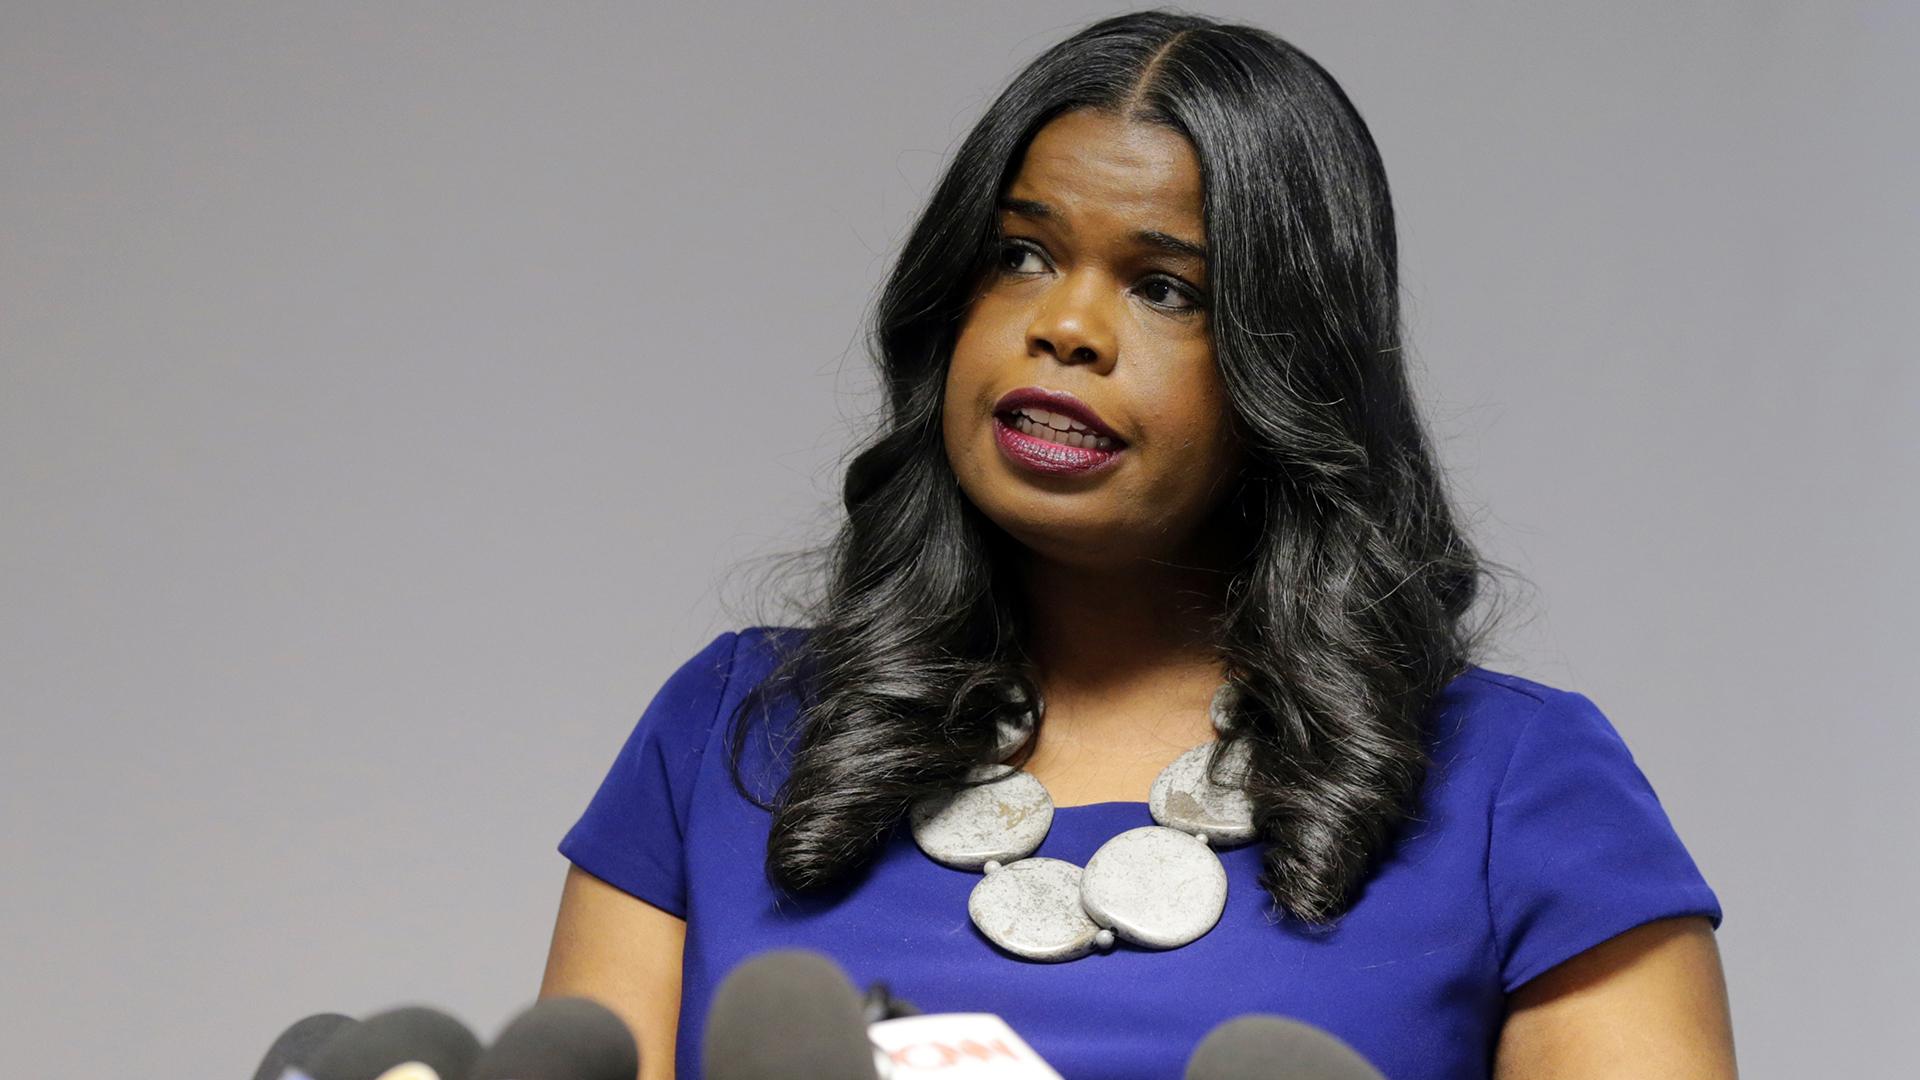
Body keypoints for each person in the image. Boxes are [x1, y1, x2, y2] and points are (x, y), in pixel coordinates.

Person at [537, 9, 1736, 1079]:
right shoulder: (730, 734)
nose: (1063, 325)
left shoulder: (1518, 787)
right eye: (1021, 256)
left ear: (1291, 366)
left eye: (1165, 287)